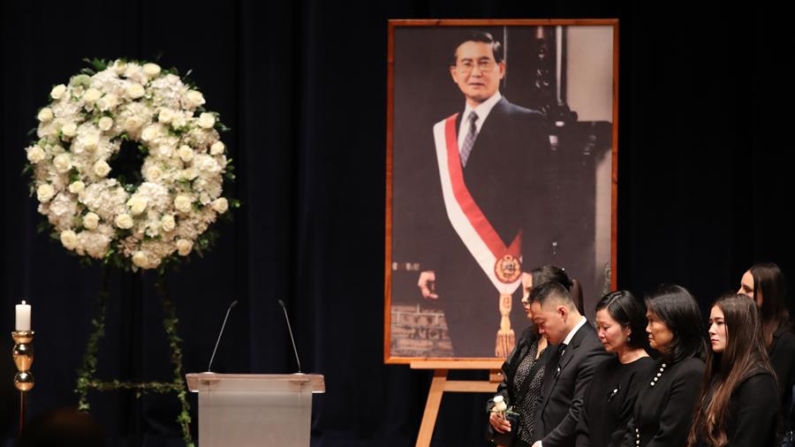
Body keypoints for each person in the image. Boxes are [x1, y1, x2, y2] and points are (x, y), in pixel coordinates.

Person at [416, 30, 555, 358]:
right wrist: (430, 264)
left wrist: (533, 269)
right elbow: (435, 203)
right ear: (454, 73)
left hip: (509, 271)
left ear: (501, 69)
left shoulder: (528, 122)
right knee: (465, 354)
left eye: (484, 63)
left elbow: (540, 200)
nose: (475, 72)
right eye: (466, 64)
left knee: (517, 370)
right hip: (455, 269)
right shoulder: (443, 130)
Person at [487, 266, 578, 446]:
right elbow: (507, 385)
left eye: (530, 291)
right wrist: (496, 411)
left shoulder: (569, 345)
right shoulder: (528, 337)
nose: (522, 299)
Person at [686, 293, 779, 447]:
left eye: (719, 323)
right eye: (710, 323)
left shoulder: (759, 382)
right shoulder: (720, 371)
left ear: (740, 328)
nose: (711, 330)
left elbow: (750, 441)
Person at [528, 281, 610, 447]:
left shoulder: (593, 349)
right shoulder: (554, 345)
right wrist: (538, 440)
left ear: (562, 312)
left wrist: (545, 444)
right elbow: (542, 400)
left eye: (542, 323)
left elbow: (579, 411)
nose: (541, 331)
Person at [625, 283, 706, 447]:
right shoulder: (659, 365)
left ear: (675, 324)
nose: (647, 329)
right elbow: (634, 425)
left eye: (652, 321)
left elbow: (670, 437)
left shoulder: (692, 371)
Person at [575, 290, 654, 447]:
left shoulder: (647, 372)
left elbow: (628, 432)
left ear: (627, 328)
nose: (600, 334)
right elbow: (584, 419)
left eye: (606, 327)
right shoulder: (603, 367)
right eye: (597, 327)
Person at [737, 261, 795, 440]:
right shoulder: (745, 331)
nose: (738, 294)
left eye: (746, 290)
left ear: (767, 295)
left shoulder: (785, 342)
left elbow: (771, 397)